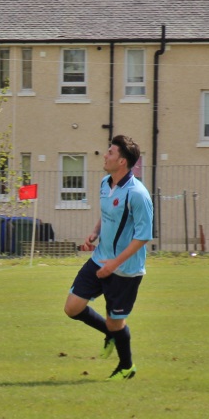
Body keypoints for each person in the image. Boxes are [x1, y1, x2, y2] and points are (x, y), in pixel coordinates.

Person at [64, 135, 153, 381]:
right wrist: (95, 232)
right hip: (100, 259)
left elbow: (143, 236)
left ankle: (126, 367)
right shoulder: (105, 183)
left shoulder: (138, 194)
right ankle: (111, 334)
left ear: (122, 161)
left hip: (125, 270)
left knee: (116, 324)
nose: (105, 155)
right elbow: (107, 214)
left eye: (110, 152)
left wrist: (115, 263)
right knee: (72, 308)